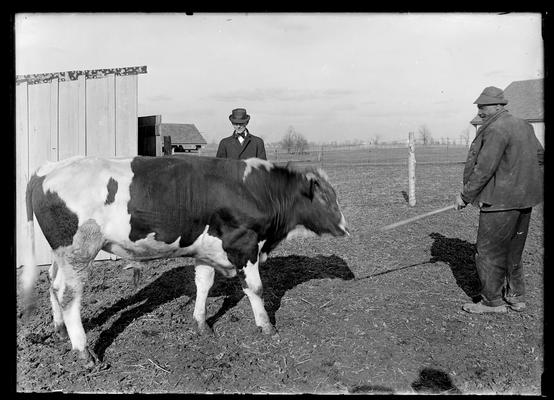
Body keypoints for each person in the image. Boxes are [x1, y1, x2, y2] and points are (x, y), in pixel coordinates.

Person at [455, 86, 544, 314]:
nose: (480, 112)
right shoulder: (524, 125)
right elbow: (540, 157)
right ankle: (516, 297)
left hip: (499, 203)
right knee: (513, 251)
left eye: (482, 107)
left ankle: (491, 302)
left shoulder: (495, 129)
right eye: (478, 107)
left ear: (498, 106)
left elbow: (484, 169)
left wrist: (465, 196)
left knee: (488, 252)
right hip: (525, 201)